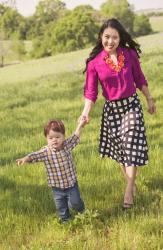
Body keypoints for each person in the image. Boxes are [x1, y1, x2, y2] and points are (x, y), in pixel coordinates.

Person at [79, 18, 156, 209]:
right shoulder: (94, 63)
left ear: (120, 38)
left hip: (131, 106)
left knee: (130, 144)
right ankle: (131, 184)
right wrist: (85, 113)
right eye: (107, 37)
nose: (110, 41)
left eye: (114, 37)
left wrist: (149, 98)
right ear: (101, 37)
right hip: (112, 110)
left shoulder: (129, 54)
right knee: (121, 151)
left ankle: (129, 190)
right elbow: (91, 92)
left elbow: (139, 78)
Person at [16, 118, 87, 222]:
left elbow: (75, 136)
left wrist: (80, 125)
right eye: (51, 138)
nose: (54, 140)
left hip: (71, 184)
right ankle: (66, 221)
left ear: (63, 136)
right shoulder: (46, 151)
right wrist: (25, 159)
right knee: (61, 207)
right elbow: (35, 155)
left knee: (75, 202)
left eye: (58, 137)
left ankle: (83, 212)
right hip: (57, 188)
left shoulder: (66, 146)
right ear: (46, 138)